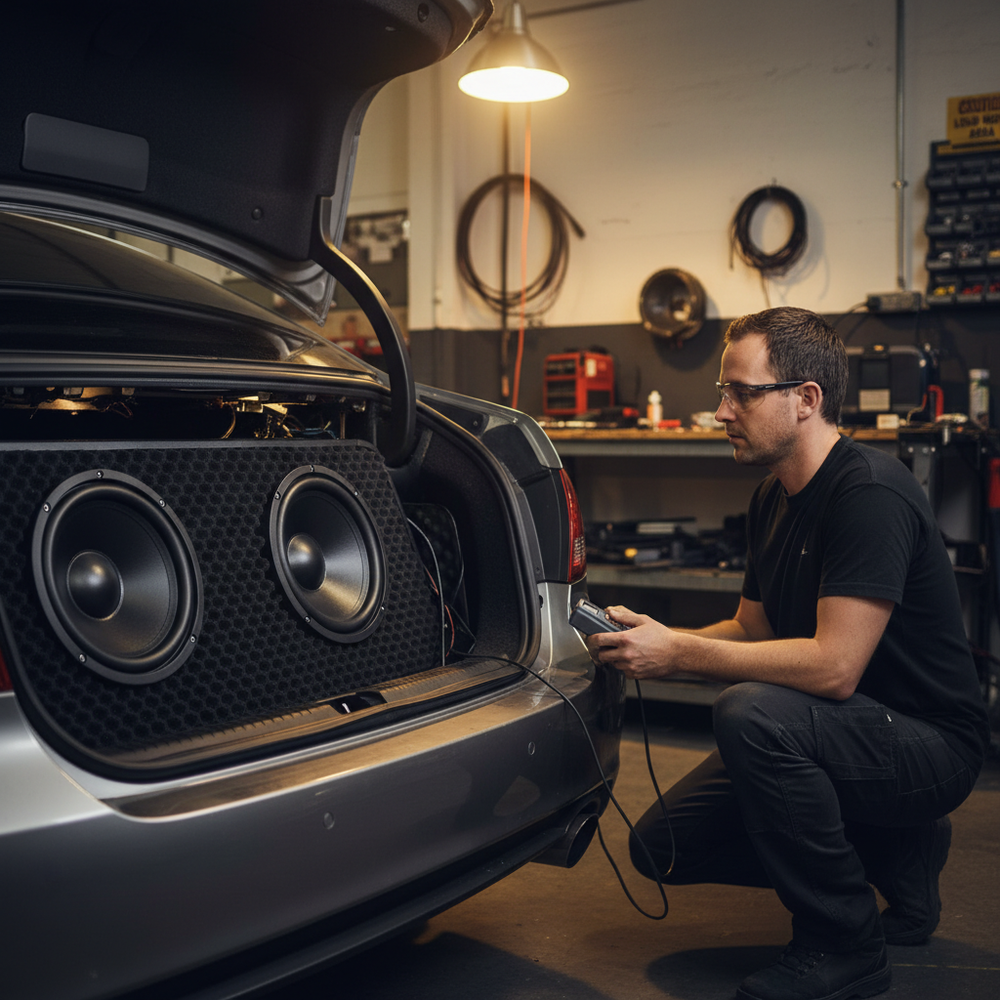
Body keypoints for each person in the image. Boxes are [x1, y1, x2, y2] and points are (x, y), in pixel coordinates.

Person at [587, 307, 990, 1000]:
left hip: (928, 746)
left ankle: (844, 942)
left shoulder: (869, 493)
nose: (721, 411)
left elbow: (834, 668)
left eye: (741, 392)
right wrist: (649, 634)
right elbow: (751, 629)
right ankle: (898, 851)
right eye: (724, 391)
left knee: (753, 713)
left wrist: (678, 653)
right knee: (663, 848)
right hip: (848, 734)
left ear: (806, 400)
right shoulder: (773, 498)